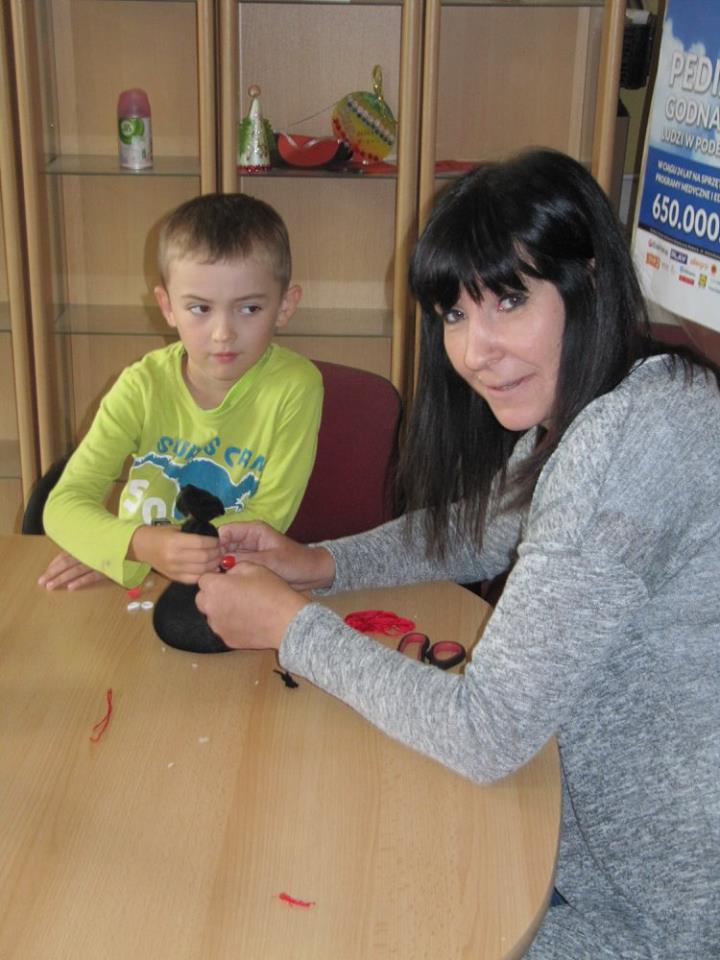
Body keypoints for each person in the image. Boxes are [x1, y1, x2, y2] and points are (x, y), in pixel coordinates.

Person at [194, 148, 720, 958]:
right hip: (572, 829)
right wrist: (320, 564)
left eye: (509, 300)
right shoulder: (621, 392)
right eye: (455, 314)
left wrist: (291, 627)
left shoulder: (629, 441)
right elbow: (482, 530)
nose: (476, 351)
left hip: (654, 916)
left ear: (587, 276)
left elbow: (486, 731)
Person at [39, 192, 323, 591]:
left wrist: (135, 549)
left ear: (285, 306)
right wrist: (132, 546)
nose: (223, 334)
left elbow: (268, 517)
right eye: (200, 308)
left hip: (233, 580)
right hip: (137, 584)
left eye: (249, 308)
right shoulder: (140, 386)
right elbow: (62, 505)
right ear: (167, 306)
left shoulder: (296, 387)